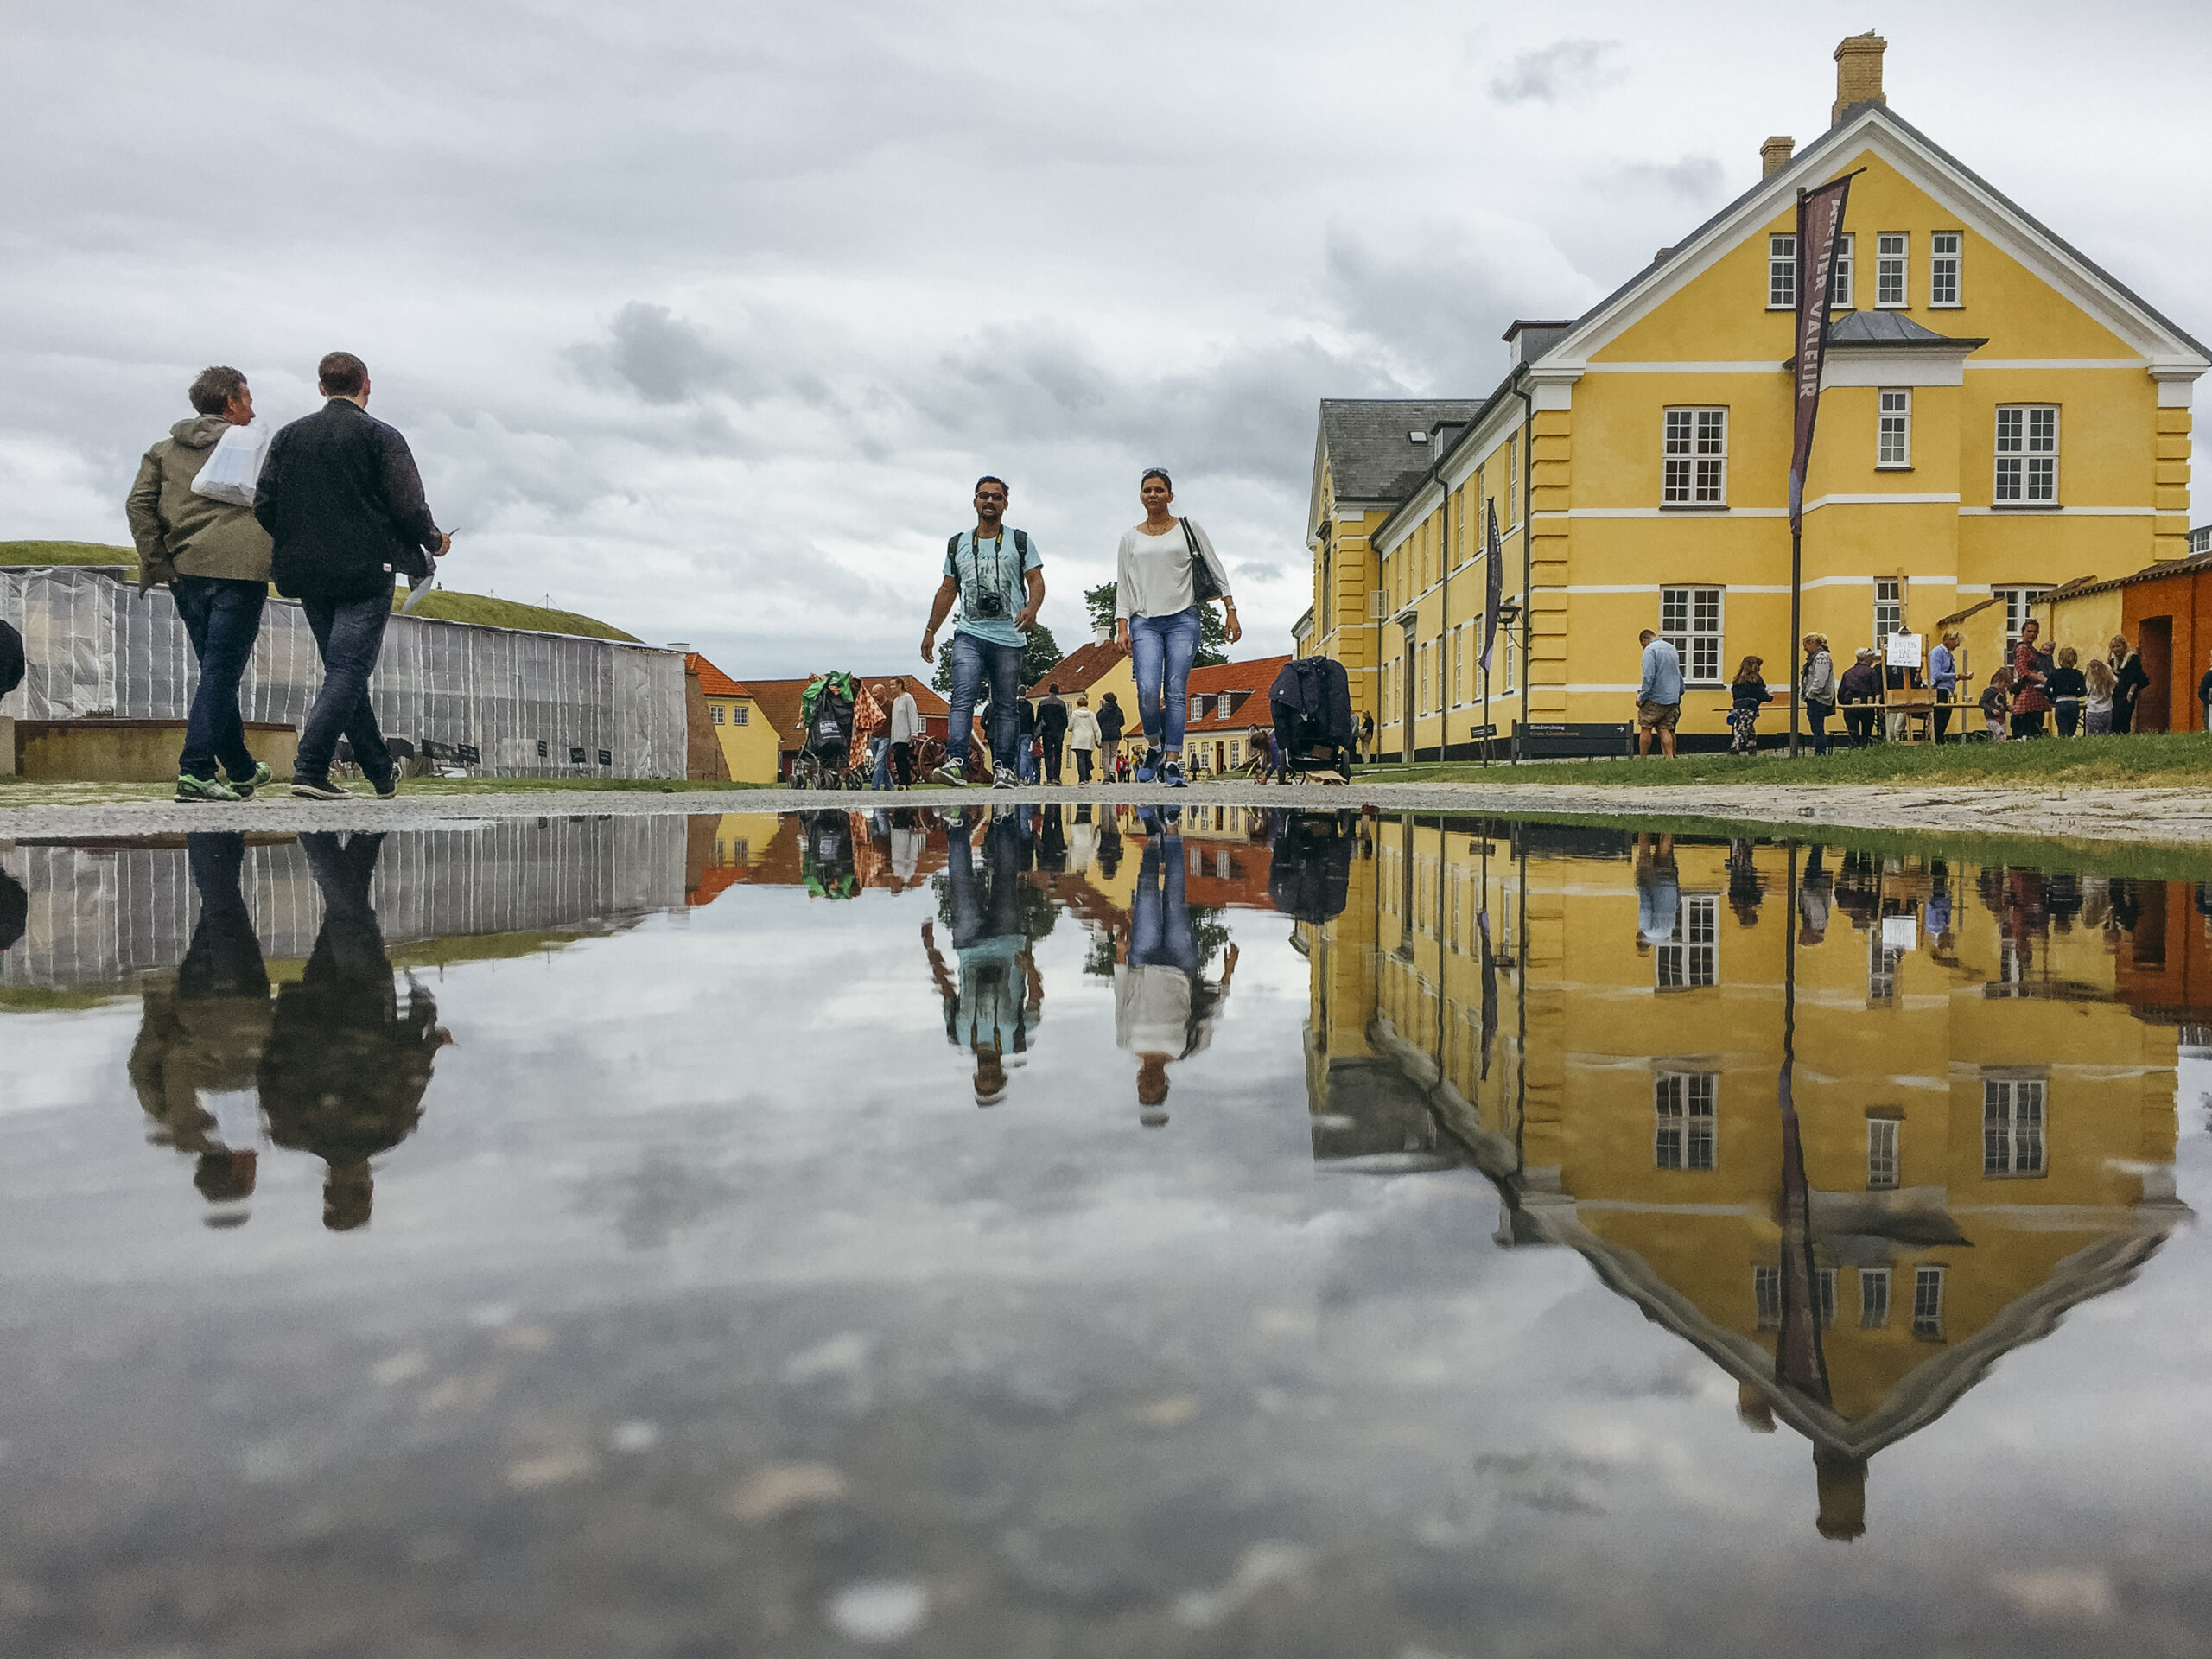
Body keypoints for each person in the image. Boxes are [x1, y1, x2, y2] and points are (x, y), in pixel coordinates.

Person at [254, 352, 450, 801]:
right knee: (348, 670)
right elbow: (407, 505)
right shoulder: (381, 436)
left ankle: (380, 772)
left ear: (321, 387)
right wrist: (434, 540)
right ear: (367, 384)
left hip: (307, 571)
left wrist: (298, 538)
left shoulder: (289, 437)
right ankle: (309, 767)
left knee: (344, 673)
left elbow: (265, 503)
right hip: (366, 569)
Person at [261, 833, 448, 1230]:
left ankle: (318, 834)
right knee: (343, 914)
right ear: (327, 1189)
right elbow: (268, 1065)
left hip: (365, 1004)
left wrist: (426, 1025)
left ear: (368, 1189)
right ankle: (365, 830)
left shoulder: (387, 1129)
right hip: (311, 1006)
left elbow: (411, 1068)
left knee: (352, 917)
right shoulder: (291, 1129)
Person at [124, 366, 278, 804]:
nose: (253, 409)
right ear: (230, 402)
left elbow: (139, 506)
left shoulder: (162, 451)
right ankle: (194, 771)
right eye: (247, 400)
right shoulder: (258, 446)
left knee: (215, 671)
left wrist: (159, 562)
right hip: (241, 572)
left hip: (185, 571)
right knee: (221, 674)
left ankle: (244, 769)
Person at [126, 833, 273, 1225]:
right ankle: (221, 835)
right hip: (192, 1000)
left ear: (239, 1174)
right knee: (219, 910)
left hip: (243, 1000)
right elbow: (143, 1065)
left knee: (223, 907)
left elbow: (281, 1069)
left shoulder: (252, 1129)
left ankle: (210, 832)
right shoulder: (171, 1119)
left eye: (250, 1176)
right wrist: (161, 1005)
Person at [1113, 468, 1239, 786]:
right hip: (1145, 621)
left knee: (1175, 691)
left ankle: (1172, 761)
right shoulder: (1129, 538)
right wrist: (1122, 625)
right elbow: (1124, 585)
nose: (1152, 495)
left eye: (1158, 490)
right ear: (1140, 496)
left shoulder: (1187, 528)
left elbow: (1214, 566)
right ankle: (1154, 746)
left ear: (1170, 495)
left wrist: (1230, 609)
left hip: (1184, 618)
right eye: (1147, 490)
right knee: (1146, 691)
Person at [1113, 808, 1236, 1127]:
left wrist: (1120, 954)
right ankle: (1172, 827)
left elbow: (1122, 998)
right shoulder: (1188, 1048)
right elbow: (1211, 1013)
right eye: (1154, 1090)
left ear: (1138, 1084)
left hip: (1142, 959)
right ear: (1166, 1086)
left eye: (1143, 1090)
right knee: (1176, 895)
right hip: (1181, 965)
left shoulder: (1126, 1043)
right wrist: (1227, 973)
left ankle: (1153, 840)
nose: (1148, 1085)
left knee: (1148, 889)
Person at [922, 476, 1045, 789]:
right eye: (983, 496)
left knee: (1005, 704)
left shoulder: (1019, 541)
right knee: (962, 696)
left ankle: (1004, 767)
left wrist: (1032, 608)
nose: (989, 502)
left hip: (1008, 635)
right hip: (970, 633)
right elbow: (948, 589)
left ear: (1005, 503)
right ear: (974, 502)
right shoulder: (958, 544)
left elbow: (1036, 580)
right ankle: (957, 763)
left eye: (996, 497)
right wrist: (931, 630)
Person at [921, 809, 1042, 1105]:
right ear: (1002, 1075)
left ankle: (956, 824)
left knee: (960, 879)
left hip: (968, 945)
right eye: (992, 1079)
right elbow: (1035, 1000)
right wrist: (1029, 966)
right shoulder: (1018, 1041)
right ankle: (1004, 819)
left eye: (981, 1080)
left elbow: (947, 993)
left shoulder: (960, 1037)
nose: (986, 1074)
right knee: (1004, 876)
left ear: (975, 1077)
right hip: (1007, 943)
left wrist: (931, 951)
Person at [1635, 628, 1682, 758]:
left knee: (1646, 727)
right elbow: (1678, 673)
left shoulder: (1650, 650)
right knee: (1665, 728)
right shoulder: (1672, 648)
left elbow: (1648, 677)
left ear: (1644, 640)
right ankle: (1670, 757)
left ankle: (1643, 758)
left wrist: (1642, 697)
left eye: (1642, 645)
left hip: (1655, 697)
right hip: (1672, 697)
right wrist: (1680, 692)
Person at [2009, 619, 2050, 739]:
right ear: (2023, 632)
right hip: (2027, 692)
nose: (2032, 634)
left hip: (2035, 692)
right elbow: (2023, 671)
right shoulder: (2022, 648)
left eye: (2035, 632)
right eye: (2029, 631)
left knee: (2035, 727)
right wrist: (2042, 678)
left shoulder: (2031, 648)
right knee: (2026, 728)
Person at [1838, 648, 1885, 747]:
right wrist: (1876, 703)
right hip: (1866, 705)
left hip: (1850, 706)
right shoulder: (1871, 672)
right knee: (1866, 734)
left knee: (1853, 732)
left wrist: (1843, 705)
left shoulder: (1847, 673)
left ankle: (1854, 749)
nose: (1872, 661)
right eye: (1871, 658)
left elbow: (1841, 692)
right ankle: (1865, 749)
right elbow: (1877, 689)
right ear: (1866, 658)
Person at [1727, 655, 1770, 754]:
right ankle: (1735, 749)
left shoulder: (1738, 680)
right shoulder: (1755, 679)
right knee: (1742, 730)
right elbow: (1761, 694)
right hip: (1749, 708)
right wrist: (1769, 698)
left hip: (1737, 707)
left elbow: (1735, 694)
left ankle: (1752, 748)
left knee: (1747, 729)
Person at [2110, 634, 2148, 734]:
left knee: (2124, 720)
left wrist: (2130, 694)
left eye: (2118, 646)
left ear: (2124, 646)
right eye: (2113, 647)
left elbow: (2136, 678)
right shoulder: (2112, 661)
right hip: (2114, 695)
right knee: (2113, 721)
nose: (2116, 649)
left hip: (2127, 694)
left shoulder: (2133, 659)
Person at [1928, 629, 1961, 742]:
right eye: (1956, 641)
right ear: (1948, 640)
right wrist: (1955, 676)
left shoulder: (1949, 655)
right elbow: (1936, 674)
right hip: (1940, 690)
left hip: (1948, 690)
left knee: (1946, 717)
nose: (1958, 644)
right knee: (1940, 718)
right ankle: (1937, 740)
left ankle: (1940, 739)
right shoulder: (1937, 652)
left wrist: (1957, 678)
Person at [1033, 682, 1070, 785]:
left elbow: (1038, 719)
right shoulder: (1061, 703)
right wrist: (1062, 730)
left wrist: (1037, 731)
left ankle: (1049, 777)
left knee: (1048, 754)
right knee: (1058, 754)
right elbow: (1065, 720)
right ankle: (1056, 777)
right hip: (1058, 732)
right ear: (1057, 692)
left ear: (1049, 691)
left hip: (1047, 731)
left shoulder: (1043, 703)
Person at [887, 678, 920, 789]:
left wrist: (914, 733)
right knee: (899, 759)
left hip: (905, 735)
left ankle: (904, 782)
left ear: (900, 685)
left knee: (901, 758)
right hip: (897, 736)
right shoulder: (896, 701)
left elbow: (913, 715)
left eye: (893, 685)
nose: (891, 687)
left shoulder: (908, 699)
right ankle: (906, 782)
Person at [2048, 646, 2087, 738]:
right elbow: (2083, 690)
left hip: (2060, 702)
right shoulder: (2078, 674)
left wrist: (2054, 696)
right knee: (2071, 731)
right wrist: (2074, 694)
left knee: (2062, 730)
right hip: (2073, 702)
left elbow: (2046, 690)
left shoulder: (2054, 674)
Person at [859, 680, 892, 789]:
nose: (873, 695)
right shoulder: (873, 707)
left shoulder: (890, 705)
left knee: (878, 762)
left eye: (876, 693)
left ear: (882, 693)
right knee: (882, 764)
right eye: (872, 693)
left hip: (886, 737)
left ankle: (875, 787)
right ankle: (889, 786)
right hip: (874, 737)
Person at [1068, 692, 1100, 783]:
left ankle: (1081, 779)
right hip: (1089, 739)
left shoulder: (1074, 714)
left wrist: (1073, 729)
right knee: (1087, 758)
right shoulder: (1091, 714)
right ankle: (1087, 777)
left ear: (1078, 705)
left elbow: (1070, 727)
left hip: (1078, 739)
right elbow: (1096, 728)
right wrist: (1098, 738)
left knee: (1080, 759)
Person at [1096, 691, 1128, 779]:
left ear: (1106, 701)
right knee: (1114, 754)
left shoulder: (1103, 711)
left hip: (1105, 734)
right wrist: (1116, 726)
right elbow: (1122, 722)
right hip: (1115, 734)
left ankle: (1106, 776)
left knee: (1106, 754)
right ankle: (1112, 772)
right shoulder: (1118, 710)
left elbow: (1098, 721)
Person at [2084, 656, 2117, 735]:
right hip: (2107, 710)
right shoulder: (2107, 683)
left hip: (2093, 711)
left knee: (2093, 734)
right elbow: (2115, 680)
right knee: (2105, 733)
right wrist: (2107, 668)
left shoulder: (2090, 683)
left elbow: (2086, 691)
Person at [1980, 666, 2013, 741]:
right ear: (1998, 680)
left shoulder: (2002, 693)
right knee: (2002, 735)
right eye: (2006, 682)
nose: (2006, 685)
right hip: (1992, 719)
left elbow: (2002, 706)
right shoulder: (1990, 691)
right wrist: (1992, 710)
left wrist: (2008, 708)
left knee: (1998, 738)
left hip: (2002, 719)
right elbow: (1982, 702)